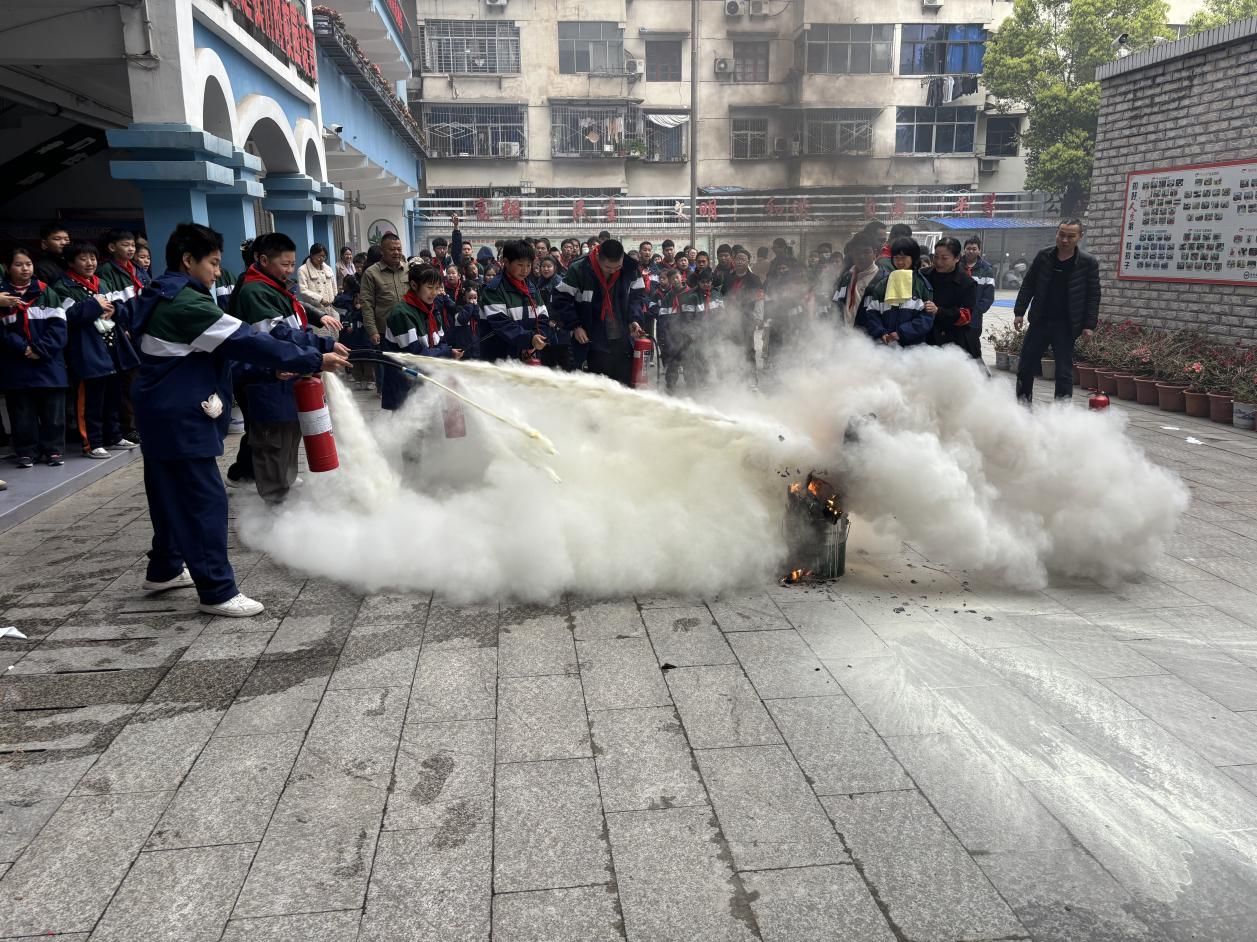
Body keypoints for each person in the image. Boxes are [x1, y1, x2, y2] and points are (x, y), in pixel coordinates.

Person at [128, 222, 348, 618]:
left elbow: (215, 357)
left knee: (167, 495)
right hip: (181, 419)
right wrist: (314, 358)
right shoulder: (186, 304)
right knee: (204, 502)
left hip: (161, 413)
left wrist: (271, 371)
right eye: (212, 263)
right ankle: (217, 591)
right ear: (188, 260)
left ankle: (164, 568)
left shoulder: (164, 294)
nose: (218, 272)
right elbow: (247, 340)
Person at [229, 232, 347, 503]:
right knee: (273, 445)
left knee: (288, 440)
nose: (290, 270)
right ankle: (275, 508)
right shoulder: (254, 292)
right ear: (263, 260)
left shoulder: (274, 288)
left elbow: (296, 326)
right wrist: (322, 348)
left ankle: (284, 497)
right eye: (284, 264)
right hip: (267, 383)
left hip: (287, 379)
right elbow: (278, 336)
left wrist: (321, 343)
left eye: (293, 263)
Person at [57, 241, 139, 458]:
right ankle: (92, 443)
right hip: (87, 349)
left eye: (92, 258)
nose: (90, 263)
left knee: (113, 395)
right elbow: (68, 316)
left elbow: (122, 308)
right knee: (91, 400)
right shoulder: (63, 286)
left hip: (112, 347)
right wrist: (95, 306)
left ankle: (114, 435)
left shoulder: (101, 283)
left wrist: (114, 310)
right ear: (71, 262)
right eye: (83, 259)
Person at [1014, 219, 1100, 403]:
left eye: (1070, 236)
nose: (1065, 240)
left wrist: (1089, 325)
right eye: (1061, 235)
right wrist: (1019, 312)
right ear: (1057, 234)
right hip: (1040, 321)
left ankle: (1062, 412)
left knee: (1063, 372)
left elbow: (1093, 295)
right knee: (1025, 366)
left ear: (1080, 237)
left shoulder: (1088, 262)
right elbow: (1028, 285)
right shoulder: (1044, 256)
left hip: (1066, 325)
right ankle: (1022, 406)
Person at [1, 248, 68, 468]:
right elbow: (3, 332)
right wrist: (23, 348)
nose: (25, 269)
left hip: (48, 361)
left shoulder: (46, 292)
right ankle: (26, 451)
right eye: (19, 264)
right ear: (8, 268)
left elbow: (59, 327)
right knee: (22, 411)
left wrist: (40, 349)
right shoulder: (2, 297)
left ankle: (54, 450)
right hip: (17, 362)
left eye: (28, 264)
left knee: (53, 411)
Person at [551, 238, 647, 386]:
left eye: (617, 267)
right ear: (597, 257)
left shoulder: (631, 268)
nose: (613, 271)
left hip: (623, 340)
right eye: (608, 267)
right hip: (593, 341)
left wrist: (634, 320)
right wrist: (575, 326)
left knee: (624, 385)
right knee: (598, 387)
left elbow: (637, 297)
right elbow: (561, 299)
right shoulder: (580, 269)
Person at [380, 265, 463, 410]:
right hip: (405, 385)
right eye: (430, 287)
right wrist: (446, 353)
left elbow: (441, 341)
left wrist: (448, 351)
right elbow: (415, 355)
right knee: (407, 422)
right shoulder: (401, 314)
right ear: (414, 285)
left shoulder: (431, 310)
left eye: (437, 288)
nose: (434, 293)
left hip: (427, 382)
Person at [479, 241, 552, 364]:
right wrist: (529, 339)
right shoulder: (494, 290)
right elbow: (502, 324)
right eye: (520, 265)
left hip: (526, 355)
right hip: (499, 357)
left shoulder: (531, 287)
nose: (525, 270)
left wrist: (537, 338)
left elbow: (543, 316)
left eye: (528, 265)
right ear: (506, 262)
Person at [859, 237, 934, 347]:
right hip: (885, 345)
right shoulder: (882, 285)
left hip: (914, 348)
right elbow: (872, 312)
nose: (899, 262)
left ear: (913, 257)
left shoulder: (922, 284)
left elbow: (926, 318)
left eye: (903, 257)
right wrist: (881, 332)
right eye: (896, 257)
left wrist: (901, 333)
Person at [924, 237, 982, 359]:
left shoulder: (966, 283)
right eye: (936, 257)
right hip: (926, 336)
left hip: (955, 340)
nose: (938, 262)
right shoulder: (923, 276)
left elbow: (966, 316)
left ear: (957, 258)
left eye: (944, 258)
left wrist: (939, 311)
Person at [673, 267, 722, 391]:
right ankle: (700, 382)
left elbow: (721, 313)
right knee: (700, 357)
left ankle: (718, 380)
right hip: (698, 333)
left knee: (715, 355)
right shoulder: (692, 297)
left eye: (708, 282)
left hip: (714, 331)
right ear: (698, 282)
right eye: (703, 282)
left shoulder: (716, 294)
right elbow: (688, 318)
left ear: (712, 282)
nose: (706, 284)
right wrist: (693, 332)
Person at [721, 246, 766, 380]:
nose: (740, 261)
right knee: (732, 346)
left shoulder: (754, 279)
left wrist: (758, 316)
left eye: (743, 259)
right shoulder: (728, 278)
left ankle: (751, 378)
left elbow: (760, 298)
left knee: (748, 347)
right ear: (734, 261)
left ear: (748, 262)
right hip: (730, 318)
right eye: (738, 259)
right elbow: (722, 297)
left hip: (747, 318)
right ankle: (734, 378)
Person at [832, 237, 882, 329]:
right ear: (852, 254)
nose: (861, 256)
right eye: (857, 253)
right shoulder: (846, 277)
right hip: (845, 333)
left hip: (869, 335)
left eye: (866, 252)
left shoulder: (883, 279)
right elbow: (836, 304)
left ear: (875, 253)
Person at [297, 243, 341, 335]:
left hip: (330, 308)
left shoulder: (328, 269)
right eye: (319, 256)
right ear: (312, 255)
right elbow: (303, 290)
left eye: (324, 256)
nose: (322, 259)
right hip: (315, 310)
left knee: (334, 335)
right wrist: (320, 299)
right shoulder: (303, 270)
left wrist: (334, 296)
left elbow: (334, 284)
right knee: (320, 336)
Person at [962, 237, 996, 337]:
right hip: (955, 315)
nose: (971, 251)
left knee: (972, 343)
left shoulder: (986, 270)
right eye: (968, 248)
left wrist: (977, 310)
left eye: (974, 249)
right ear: (964, 249)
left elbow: (988, 296)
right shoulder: (956, 265)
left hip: (974, 319)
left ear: (979, 250)